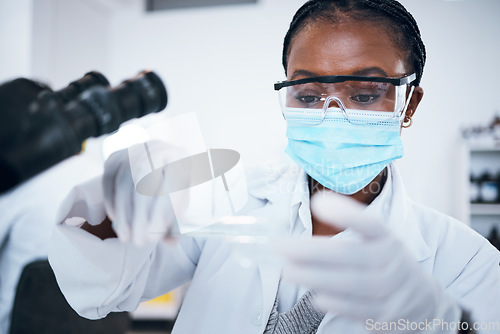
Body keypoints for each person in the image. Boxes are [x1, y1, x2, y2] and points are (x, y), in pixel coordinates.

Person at [48, 1, 500, 333]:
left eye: (364, 94)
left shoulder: (466, 262)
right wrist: (117, 209)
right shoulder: (227, 193)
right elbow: (104, 289)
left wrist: (442, 322)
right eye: (307, 95)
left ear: (409, 103)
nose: (331, 114)